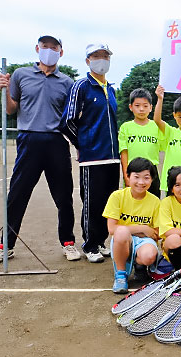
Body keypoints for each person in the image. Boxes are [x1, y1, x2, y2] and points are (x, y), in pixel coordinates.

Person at [0, 35, 78, 265]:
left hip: (57, 141)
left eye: (53, 47)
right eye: (44, 46)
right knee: (17, 195)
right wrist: (4, 90)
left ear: (61, 52)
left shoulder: (67, 82)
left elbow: (72, 116)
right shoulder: (20, 75)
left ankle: (68, 242)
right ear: (37, 49)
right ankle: (5, 245)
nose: (49, 50)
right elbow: (10, 109)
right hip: (28, 140)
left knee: (64, 196)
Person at [60, 43, 120, 263]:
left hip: (112, 157)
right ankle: (90, 244)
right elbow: (67, 121)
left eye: (105, 56)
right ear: (88, 60)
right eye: (96, 56)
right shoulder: (81, 86)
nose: (101, 59)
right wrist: (82, 144)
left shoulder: (111, 89)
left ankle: (101, 241)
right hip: (92, 158)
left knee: (109, 203)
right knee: (92, 203)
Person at [102, 157, 160, 293]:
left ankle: (140, 266)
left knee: (149, 254)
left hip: (143, 241)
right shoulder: (117, 196)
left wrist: (141, 232)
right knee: (121, 232)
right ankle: (121, 274)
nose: (141, 182)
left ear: (152, 180)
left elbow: (156, 234)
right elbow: (112, 229)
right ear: (127, 177)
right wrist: (143, 228)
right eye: (136, 177)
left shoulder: (155, 202)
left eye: (146, 177)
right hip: (122, 240)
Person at [118, 88, 162, 198]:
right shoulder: (125, 127)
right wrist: (126, 176)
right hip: (133, 172)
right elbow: (124, 153)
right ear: (131, 107)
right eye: (137, 105)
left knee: (153, 205)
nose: (141, 109)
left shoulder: (157, 127)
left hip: (152, 172)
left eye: (145, 106)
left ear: (151, 108)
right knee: (131, 205)